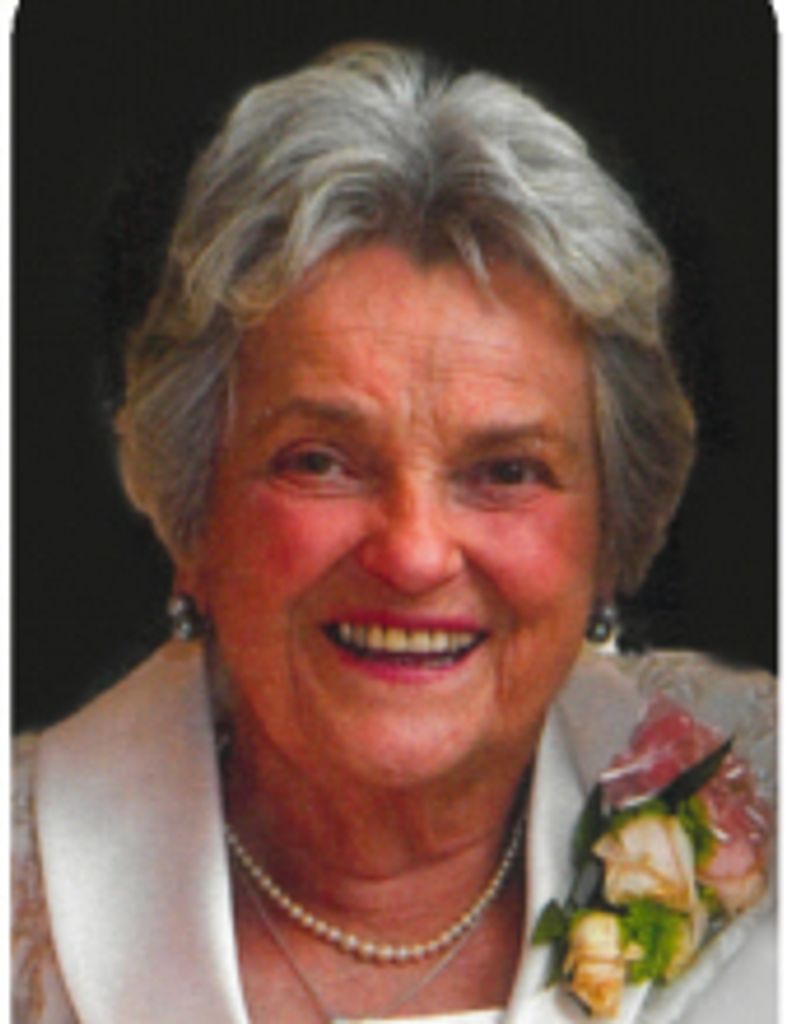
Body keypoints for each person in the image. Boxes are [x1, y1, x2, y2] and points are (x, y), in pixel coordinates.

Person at [12, 42, 775, 1024]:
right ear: (193, 514)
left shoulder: (764, 801)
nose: (412, 553)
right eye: (320, 461)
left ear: (610, 533)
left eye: (505, 472)